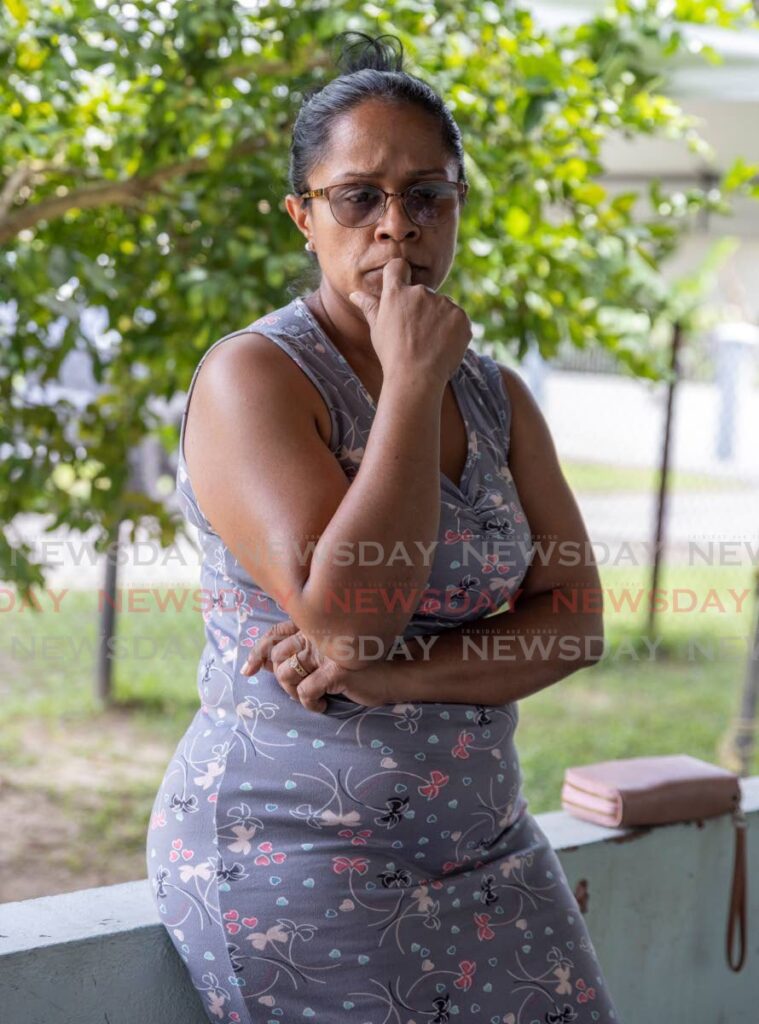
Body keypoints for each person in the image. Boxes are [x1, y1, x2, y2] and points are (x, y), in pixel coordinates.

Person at [146, 30, 621, 1024]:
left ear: (457, 210)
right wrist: (409, 384)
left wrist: (398, 677)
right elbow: (351, 620)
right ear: (302, 218)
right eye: (358, 197)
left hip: (487, 846)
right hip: (296, 854)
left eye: (428, 195)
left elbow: (573, 622)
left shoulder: (499, 398)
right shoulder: (257, 377)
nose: (396, 227)